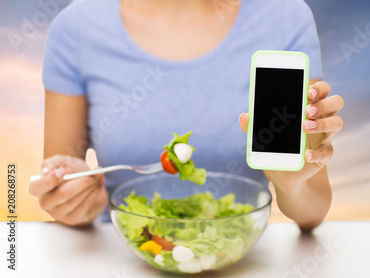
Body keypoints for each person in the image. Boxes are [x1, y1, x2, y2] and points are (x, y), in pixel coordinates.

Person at [28, 0, 344, 232]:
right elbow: (60, 184)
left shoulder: (286, 18)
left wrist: (291, 185)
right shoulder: (76, 27)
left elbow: (312, 213)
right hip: (122, 253)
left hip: (241, 256)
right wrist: (74, 200)